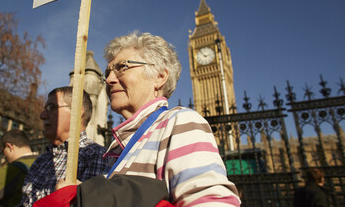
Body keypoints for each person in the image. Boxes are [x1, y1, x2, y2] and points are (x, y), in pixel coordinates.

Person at [36, 31, 241, 207]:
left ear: (160, 76)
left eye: (122, 67)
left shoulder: (178, 123)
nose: (109, 79)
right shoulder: (117, 148)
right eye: (107, 72)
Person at [20, 87, 108, 206]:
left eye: (51, 107)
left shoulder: (96, 156)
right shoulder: (41, 161)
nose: (42, 115)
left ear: (77, 112)